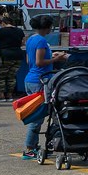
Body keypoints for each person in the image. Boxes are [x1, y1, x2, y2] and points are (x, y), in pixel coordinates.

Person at [22, 15, 69, 159]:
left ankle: (33, 146)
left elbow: (29, 60)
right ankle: (30, 148)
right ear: (47, 27)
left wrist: (51, 55)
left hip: (30, 79)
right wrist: (57, 58)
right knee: (37, 117)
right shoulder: (42, 41)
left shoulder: (31, 39)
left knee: (35, 114)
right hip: (40, 81)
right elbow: (39, 62)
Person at [0, 14, 23, 101]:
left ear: (3, 23)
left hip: (5, 55)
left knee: (0, 76)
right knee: (12, 76)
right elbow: (23, 43)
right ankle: (10, 95)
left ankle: (1, 96)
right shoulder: (20, 31)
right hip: (18, 56)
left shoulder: (2, 30)